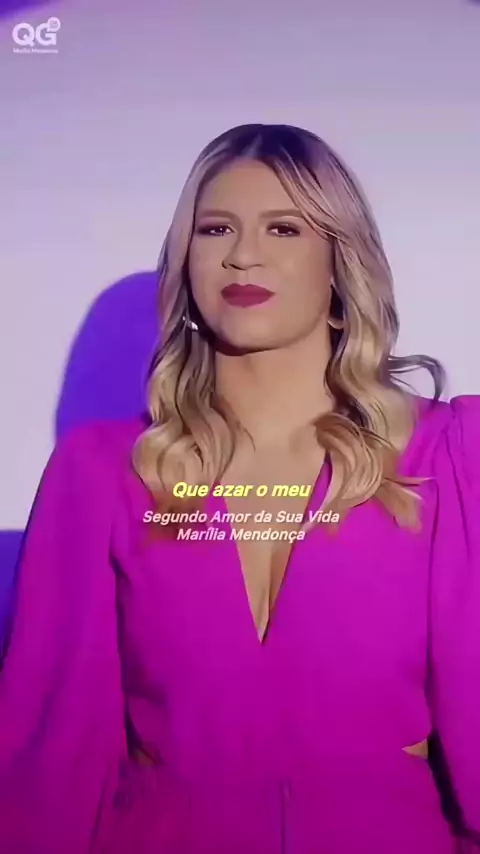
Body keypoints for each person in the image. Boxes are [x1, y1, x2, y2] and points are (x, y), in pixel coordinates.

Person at [0, 123, 479, 854]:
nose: (242, 254)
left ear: (340, 263)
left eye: (283, 228)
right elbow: (51, 752)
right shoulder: (101, 473)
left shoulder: (448, 458)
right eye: (215, 228)